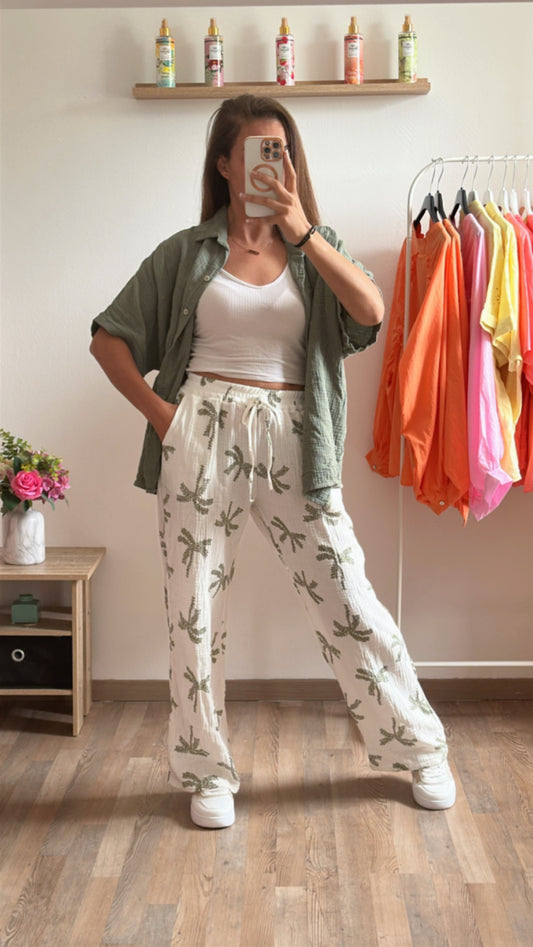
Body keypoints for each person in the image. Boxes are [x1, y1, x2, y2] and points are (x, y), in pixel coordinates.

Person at [90, 94, 455, 829]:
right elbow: (108, 339)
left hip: (294, 433)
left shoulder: (314, 247)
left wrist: (303, 230)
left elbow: (370, 312)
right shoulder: (185, 253)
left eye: (281, 152)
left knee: (346, 593)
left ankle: (418, 746)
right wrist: (166, 419)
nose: (271, 163)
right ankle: (205, 768)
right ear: (225, 163)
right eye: (257, 150)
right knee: (193, 607)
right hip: (201, 430)